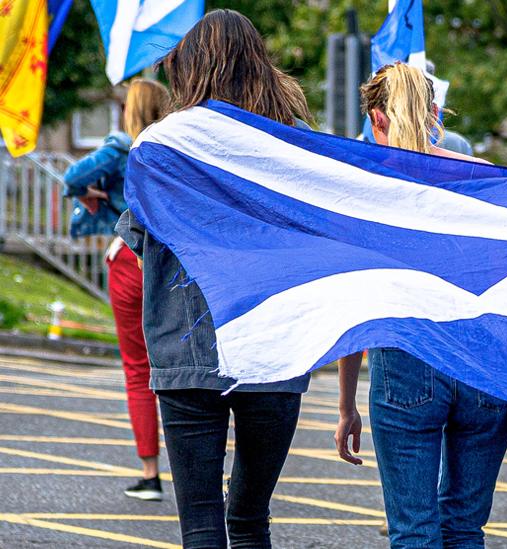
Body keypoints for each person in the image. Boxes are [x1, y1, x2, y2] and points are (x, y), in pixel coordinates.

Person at [115, 10, 313, 548]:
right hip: (276, 348)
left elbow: (138, 241)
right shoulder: (295, 144)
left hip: (186, 347)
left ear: (192, 66)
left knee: (201, 520)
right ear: (260, 64)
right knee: (250, 517)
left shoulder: (160, 145)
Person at [333, 62, 507, 549]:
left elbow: (358, 304)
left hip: (406, 362)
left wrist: (347, 404)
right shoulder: (487, 178)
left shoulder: (364, 191)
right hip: (482, 364)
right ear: (435, 113)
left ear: (376, 118)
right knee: (464, 527)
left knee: (414, 530)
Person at [63, 78, 170, 501]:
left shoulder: (121, 147)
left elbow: (73, 175)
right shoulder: (171, 149)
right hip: (170, 261)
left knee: (138, 369)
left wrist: (97, 195)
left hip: (128, 258)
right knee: (186, 368)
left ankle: (150, 474)